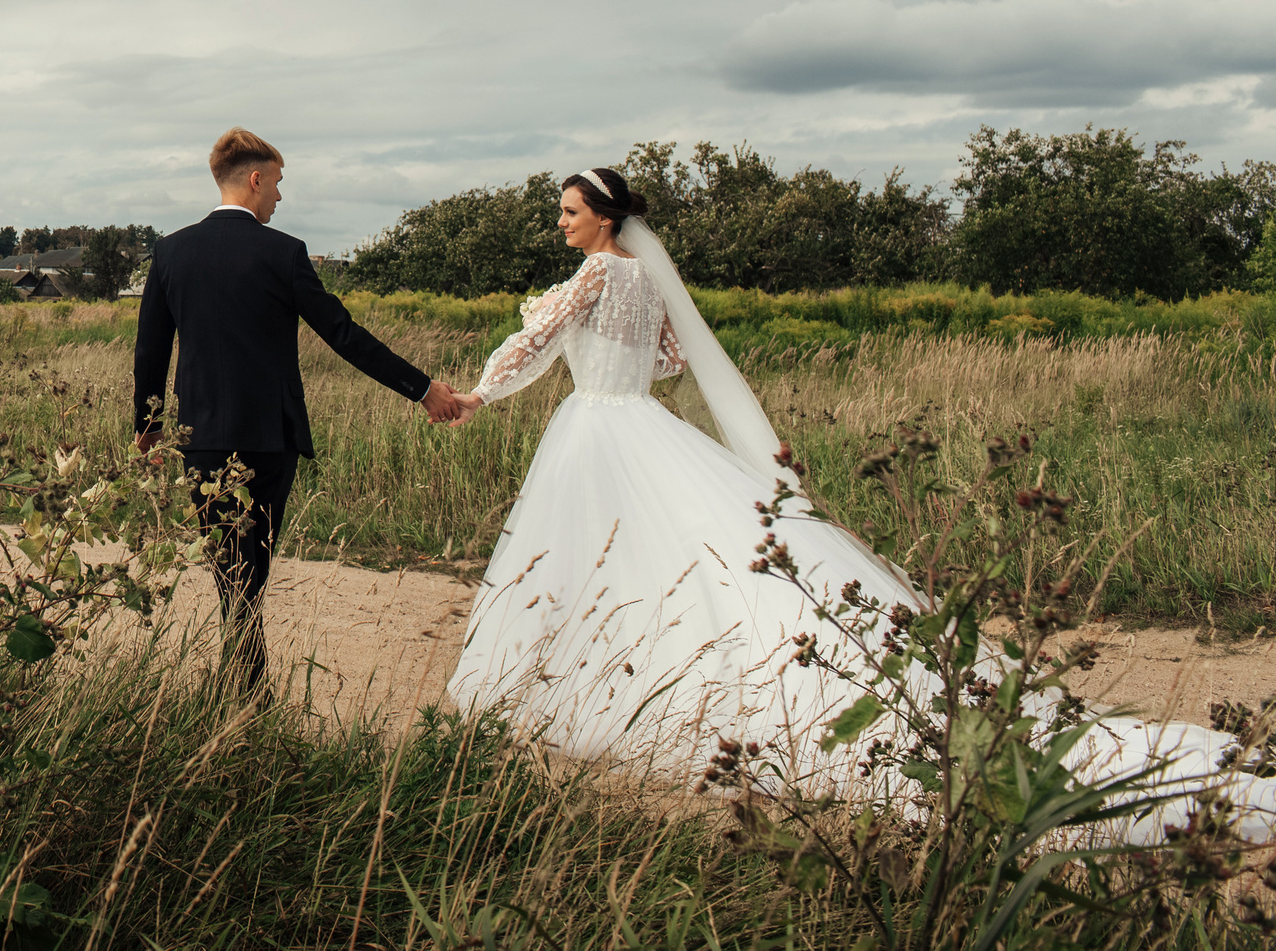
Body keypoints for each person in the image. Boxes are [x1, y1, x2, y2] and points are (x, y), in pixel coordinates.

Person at [446, 165, 1276, 842]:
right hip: (642, 420)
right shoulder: (645, 281)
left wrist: (482, 392)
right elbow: (668, 361)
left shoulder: (593, 274)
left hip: (595, 426)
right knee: (668, 549)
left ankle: (568, 677)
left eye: (568, 211)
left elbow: (535, 339)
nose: (560, 222)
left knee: (594, 550)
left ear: (603, 218)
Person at [135, 127, 463, 688]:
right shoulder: (283, 252)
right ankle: (244, 695)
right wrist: (421, 388)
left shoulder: (170, 251)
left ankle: (239, 692)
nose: (280, 197)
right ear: (255, 179)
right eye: (279, 183)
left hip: (202, 438)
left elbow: (151, 350)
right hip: (268, 438)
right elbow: (343, 334)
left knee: (231, 574)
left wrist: (149, 427)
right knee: (248, 574)